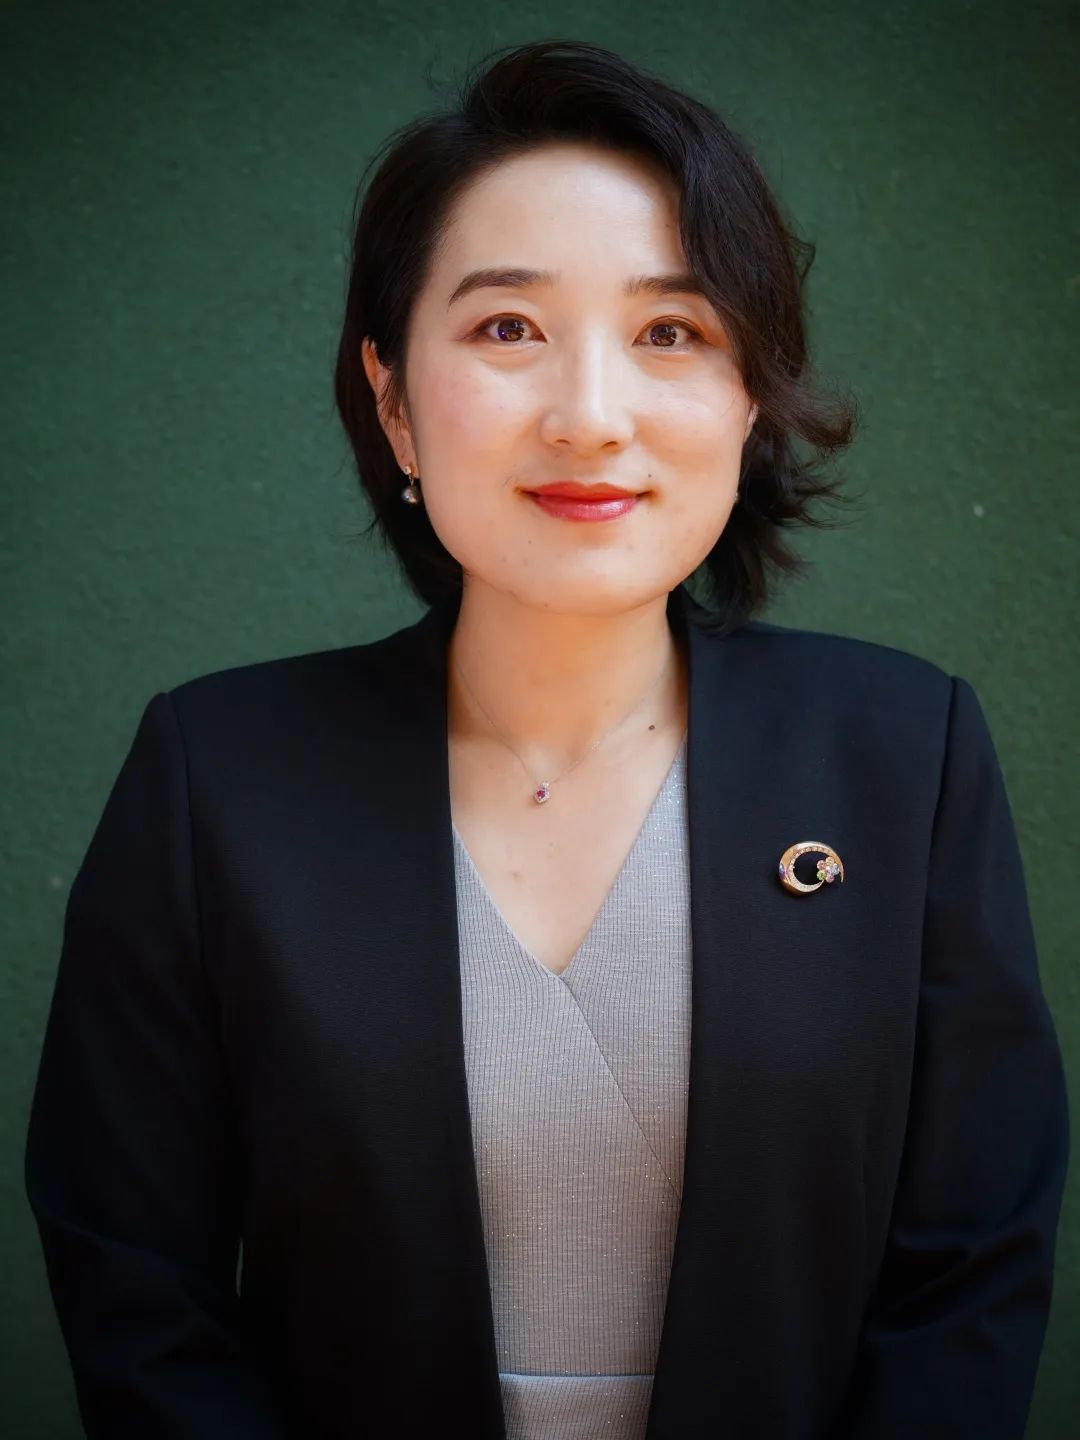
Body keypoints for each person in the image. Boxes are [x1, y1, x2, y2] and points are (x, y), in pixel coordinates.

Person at [24, 37, 1068, 1440]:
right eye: (508, 328)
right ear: (392, 398)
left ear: (750, 397)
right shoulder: (214, 778)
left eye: (672, 332)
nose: (590, 416)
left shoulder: (904, 755)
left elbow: (971, 1274)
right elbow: (137, 1288)